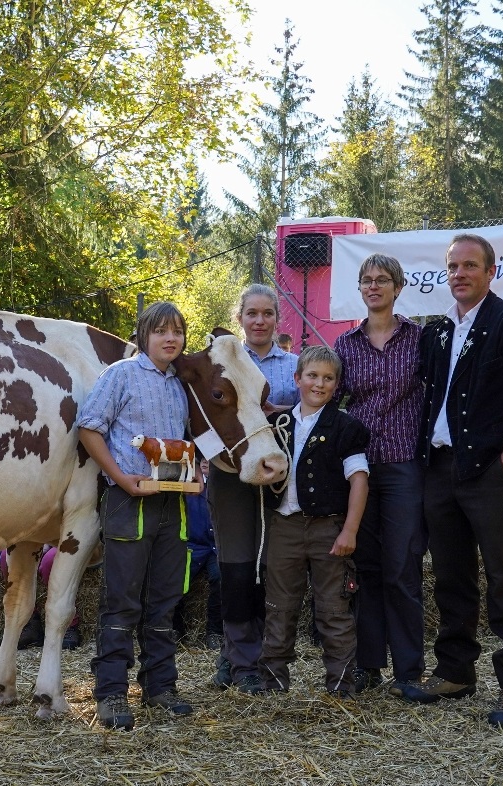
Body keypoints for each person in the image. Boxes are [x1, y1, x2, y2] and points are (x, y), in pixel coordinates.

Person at [403, 233, 503, 730]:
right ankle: (455, 671)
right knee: (451, 574)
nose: (460, 273)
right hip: (441, 469)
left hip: (492, 470)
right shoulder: (439, 331)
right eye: (453, 266)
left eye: (470, 265)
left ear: (492, 271)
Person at [78, 301, 193, 730]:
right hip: (129, 501)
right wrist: (121, 479)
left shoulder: (181, 385)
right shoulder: (121, 374)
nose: (170, 338)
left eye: (177, 332)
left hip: (172, 502)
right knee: (122, 601)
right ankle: (110, 694)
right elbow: (89, 427)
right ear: (144, 335)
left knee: (164, 601)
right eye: (161, 330)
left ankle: (160, 687)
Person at [333, 253, 426, 697]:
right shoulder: (346, 345)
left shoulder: (420, 339)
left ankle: (409, 670)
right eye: (367, 280)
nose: (374, 286)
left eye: (383, 279)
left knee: (402, 568)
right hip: (360, 469)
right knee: (366, 570)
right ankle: (369, 665)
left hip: (405, 464)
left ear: (398, 286)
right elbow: (329, 399)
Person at [258, 346, 369, 697]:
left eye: (328, 378)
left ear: (337, 385)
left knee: (334, 609)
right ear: (297, 379)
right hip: (284, 526)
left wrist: (350, 530)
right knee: (279, 606)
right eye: (312, 376)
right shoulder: (279, 424)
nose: (319, 384)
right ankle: (273, 683)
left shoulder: (346, 427)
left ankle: (340, 688)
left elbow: (359, 480)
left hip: (329, 529)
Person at [208, 284, 299, 694]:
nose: (260, 321)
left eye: (267, 314)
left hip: (281, 478)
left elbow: (311, 414)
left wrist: (284, 412)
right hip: (231, 478)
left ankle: (258, 655)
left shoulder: (296, 366)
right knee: (237, 567)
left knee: (271, 570)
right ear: (239, 318)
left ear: (278, 319)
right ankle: (241, 659)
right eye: (252, 314)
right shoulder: (220, 365)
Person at [172, 457, 223, 650]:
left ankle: (216, 632)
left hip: (218, 545)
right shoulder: (187, 481)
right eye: (201, 458)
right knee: (174, 576)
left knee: (221, 577)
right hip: (192, 544)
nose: (205, 462)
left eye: (211, 459)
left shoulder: (228, 484)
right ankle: (175, 629)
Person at [0, 545, 83, 650]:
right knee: (6, 557)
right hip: (38, 536)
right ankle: (30, 624)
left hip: (70, 538)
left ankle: (68, 626)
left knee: (50, 561)